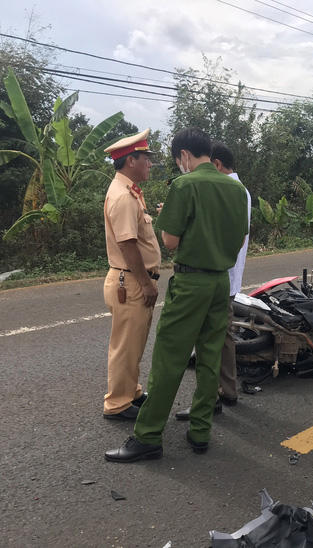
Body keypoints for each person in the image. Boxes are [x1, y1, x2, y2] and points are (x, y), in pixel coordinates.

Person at [105, 127, 248, 462]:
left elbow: (169, 241)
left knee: (169, 359)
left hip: (191, 283)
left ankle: (149, 435)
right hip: (219, 283)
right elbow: (240, 239)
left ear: (184, 155)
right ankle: (200, 431)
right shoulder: (236, 188)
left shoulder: (184, 185)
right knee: (211, 355)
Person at [174, 142, 251, 421]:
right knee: (222, 337)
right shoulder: (239, 190)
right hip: (227, 277)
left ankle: (213, 398)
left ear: (216, 164)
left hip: (214, 277)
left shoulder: (223, 188)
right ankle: (225, 390)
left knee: (211, 340)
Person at [101, 130, 161, 421]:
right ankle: (117, 404)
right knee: (126, 346)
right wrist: (146, 282)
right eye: (146, 159)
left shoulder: (130, 191)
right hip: (132, 281)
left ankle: (131, 392)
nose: (150, 164)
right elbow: (127, 244)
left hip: (131, 279)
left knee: (133, 342)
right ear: (130, 161)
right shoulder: (123, 196)